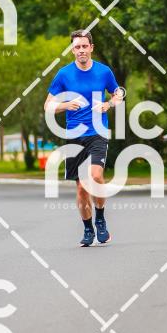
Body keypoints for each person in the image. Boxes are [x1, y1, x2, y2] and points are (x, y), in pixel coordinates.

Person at [44, 30, 123, 247]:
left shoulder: (104, 72)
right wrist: (65, 105)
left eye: (84, 46)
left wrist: (108, 104)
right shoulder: (64, 74)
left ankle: (100, 218)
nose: (81, 50)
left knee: (96, 176)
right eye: (77, 47)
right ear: (72, 50)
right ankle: (88, 229)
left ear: (91, 48)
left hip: (98, 132)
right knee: (81, 188)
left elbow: (118, 94)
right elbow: (47, 105)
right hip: (74, 136)